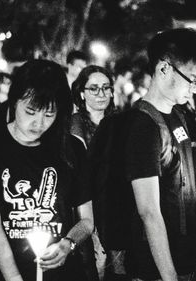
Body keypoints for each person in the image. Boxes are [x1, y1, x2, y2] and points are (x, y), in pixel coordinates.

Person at [124, 28, 196, 281]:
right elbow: (149, 211)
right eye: (192, 79)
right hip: (157, 269)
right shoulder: (143, 126)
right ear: (164, 68)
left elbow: (174, 189)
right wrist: (169, 275)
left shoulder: (177, 116)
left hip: (188, 256)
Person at [0, 60, 94, 281]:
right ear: (14, 101)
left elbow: (87, 221)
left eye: (49, 114)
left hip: (63, 272)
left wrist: (67, 244)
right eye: (31, 111)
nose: (38, 123)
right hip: (7, 269)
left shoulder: (71, 148)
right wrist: (14, 277)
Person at [70, 65, 116, 280]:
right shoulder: (76, 123)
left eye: (106, 88)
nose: (101, 94)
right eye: (94, 88)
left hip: (116, 202)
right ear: (82, 93)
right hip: (90, 203)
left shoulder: (117, 121)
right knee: (98, 264)